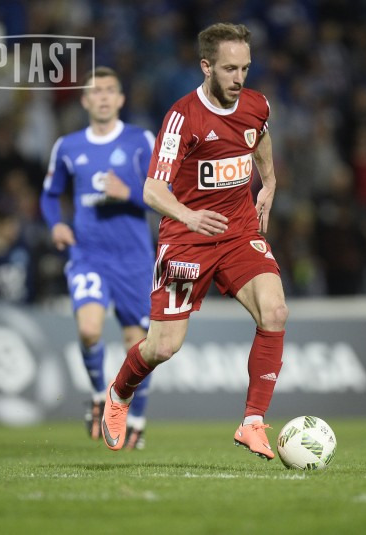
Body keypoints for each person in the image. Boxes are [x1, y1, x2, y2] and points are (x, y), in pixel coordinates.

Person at [101, 23, 288, 460]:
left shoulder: (256, 104)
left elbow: (259, 135)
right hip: (187, 237)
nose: (239, 78)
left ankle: (252, 422)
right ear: (206, 66)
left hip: (239, 231)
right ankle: (120, 392)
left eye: (245, 68)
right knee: (163, 346)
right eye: (229, 69)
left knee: (275, 311)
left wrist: (269, 181)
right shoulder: (183, 118)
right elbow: (152, 190)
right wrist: (188, 215)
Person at [40, 67, 155, 449]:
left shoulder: (141, 140)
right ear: (85, 100)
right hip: (88, 254)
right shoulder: (68, 146)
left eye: (109, 90)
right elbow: (50, 194)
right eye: (96, 91)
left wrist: (129, 192)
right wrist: (56, 224)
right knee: (89, 330)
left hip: (134, 258)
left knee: (138, 346)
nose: (103, 96)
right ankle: (96, 396)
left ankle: (135, 419)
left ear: (120, 99)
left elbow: (168, 192)